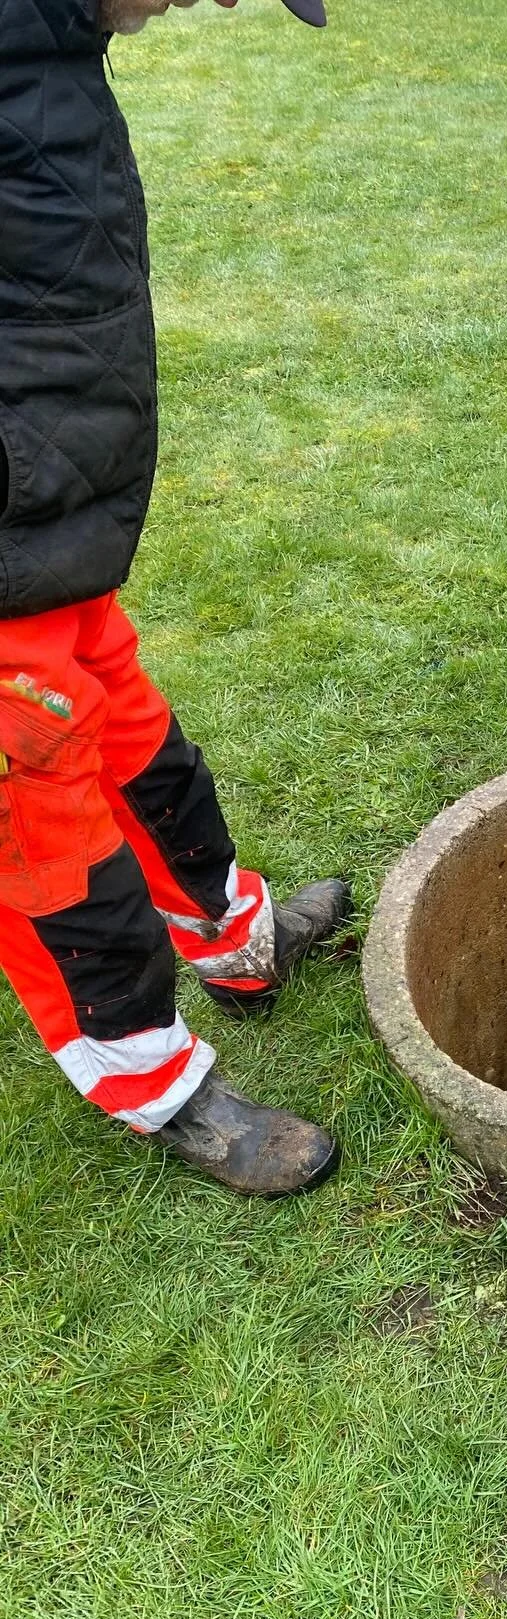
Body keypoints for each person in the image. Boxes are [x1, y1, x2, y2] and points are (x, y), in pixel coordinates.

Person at [0, 0, 346, 1198]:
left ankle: (233, 937)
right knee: (46, 821)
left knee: (137, 737)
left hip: (56, 507)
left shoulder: (46, 41)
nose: (196, 5)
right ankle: (150, 1079)